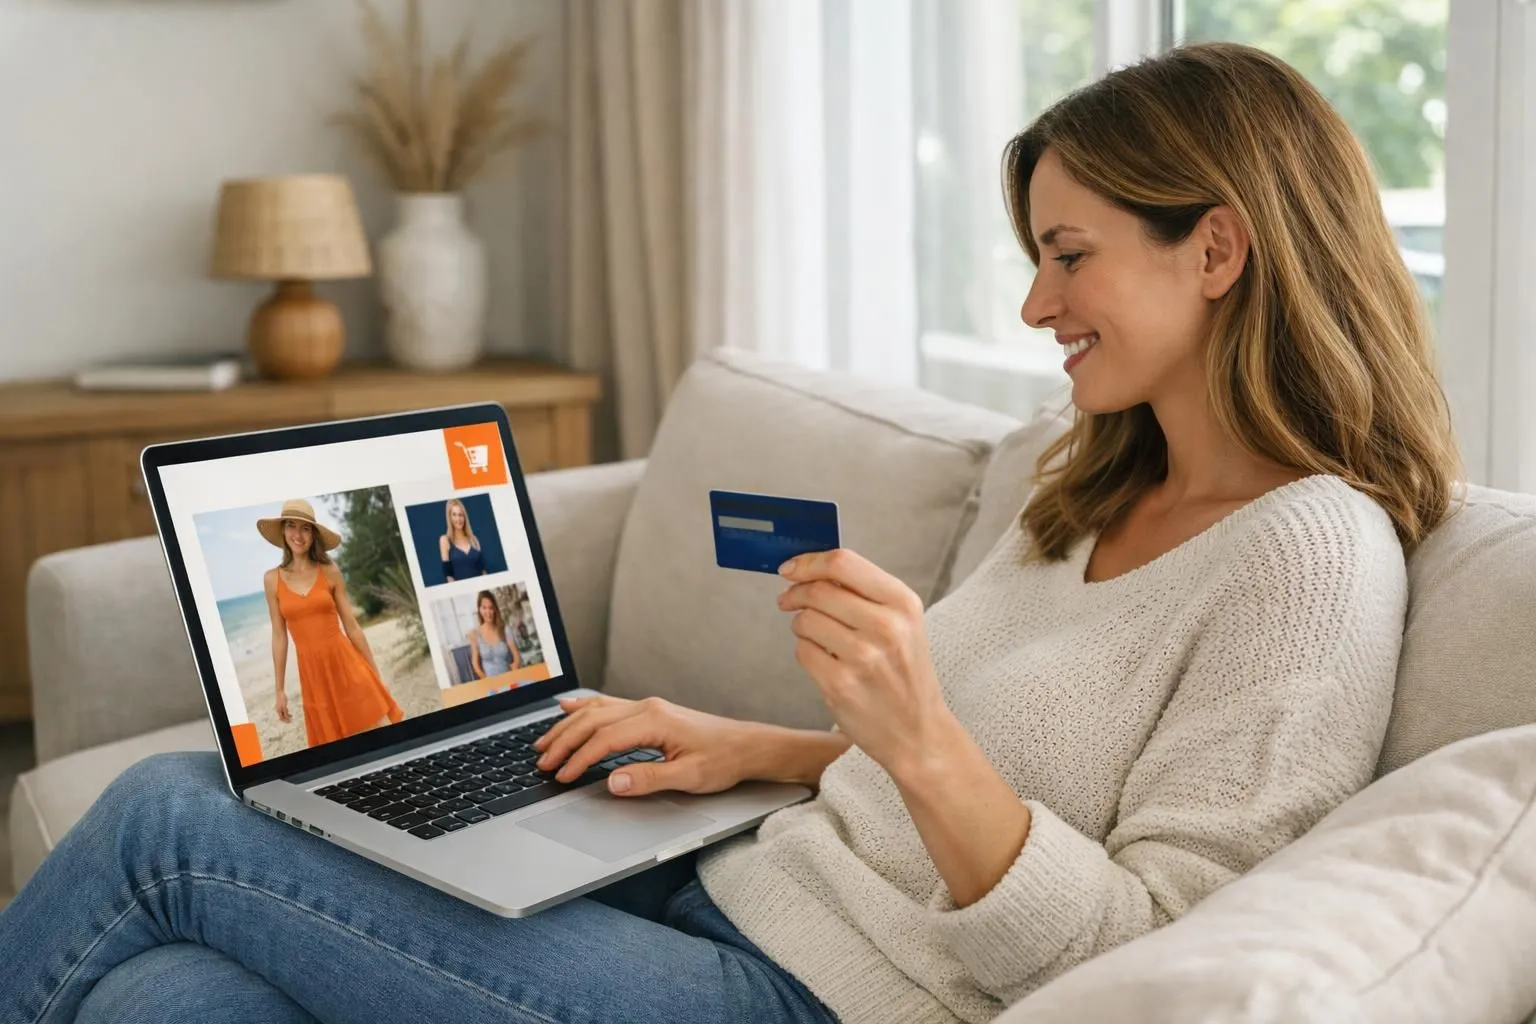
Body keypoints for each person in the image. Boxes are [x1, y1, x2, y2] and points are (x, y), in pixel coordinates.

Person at [0, 43, 1464, 1024]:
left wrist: (921, 734)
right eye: (1035, 260)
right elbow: (1009, 779)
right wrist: (757, 746)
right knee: (163, 1000)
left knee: (176, 818)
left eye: (1069, 256)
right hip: (731, 881)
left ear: (1216, 248)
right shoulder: (1087, 481)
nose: (1034, 307)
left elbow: (1146, 954)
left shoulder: (1307, 562)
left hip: (827, 999)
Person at [261, 498, 406, 747]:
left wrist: (376, 675)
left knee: (374, 740)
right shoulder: (272, 579)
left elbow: (352, 626)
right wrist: (280, 690)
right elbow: (279, 636)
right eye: (291, 526)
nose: (298, 534)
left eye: (305, 528)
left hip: (347, 666)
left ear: (313, 534)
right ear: (283, 531)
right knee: (337, 751)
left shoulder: (330, 571)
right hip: (314, 678)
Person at [467, 589, 521, 680]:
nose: (488, 612)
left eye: (491, 608)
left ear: (495, 609)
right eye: (484, 607)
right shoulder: (474, 634)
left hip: (509, 678)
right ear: (479, 609)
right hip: (489, 682)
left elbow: (516, 654)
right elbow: (475, 664)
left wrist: (515, 666)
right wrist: (486, 679)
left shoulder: (504, 629)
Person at [439, 498, 487, 582]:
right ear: (449, 517)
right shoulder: (445, 540)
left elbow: (483, 570)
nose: (458, 519)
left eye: (461, 515)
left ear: (464, 517)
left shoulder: (474, 539)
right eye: (454, 515)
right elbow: (449, 575)